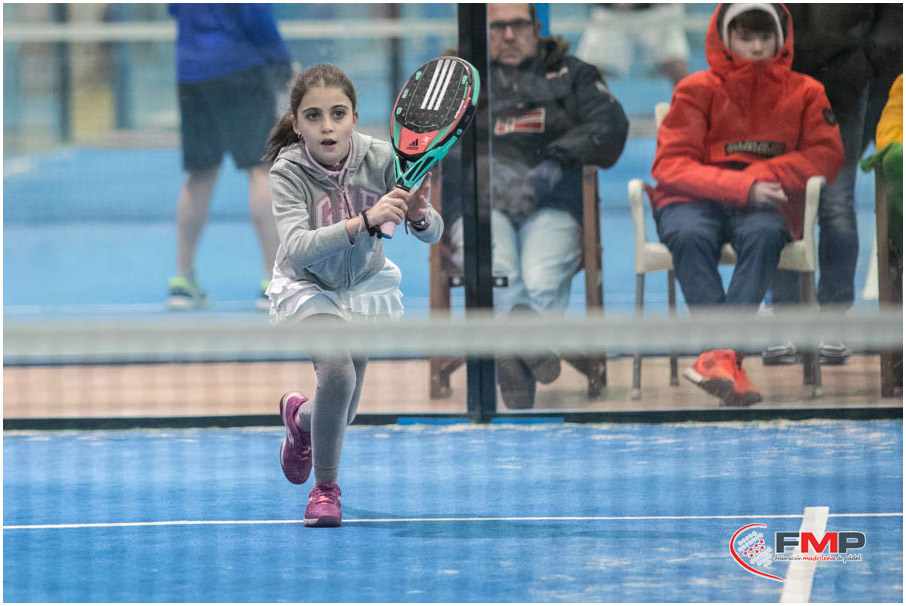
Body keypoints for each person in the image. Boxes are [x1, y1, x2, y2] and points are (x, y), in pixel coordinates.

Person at [264, 64, 441, 527]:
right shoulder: (287, 172)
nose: (327, 126)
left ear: (355, 118)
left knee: (343, 412)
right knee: (338, 374)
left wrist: (420, 215)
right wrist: (364, 221)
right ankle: (325, 491)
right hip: (307, 286)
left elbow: (433, 232)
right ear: (296, 122)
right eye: (314, 115)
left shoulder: (381, 159)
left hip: (363, 285)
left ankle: (300, 419)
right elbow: (297, 246)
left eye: (338, 114)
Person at [650, 3, 844, 406]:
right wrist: (744, 186)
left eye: (765, 36)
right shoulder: (695, 89)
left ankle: (718, 359)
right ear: (725, 38)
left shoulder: (807, 92)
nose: (756, 47)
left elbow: (826, 156)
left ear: (781, 38)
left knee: (766, 233)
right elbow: (670, 165)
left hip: (763, 205)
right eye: (745, 37)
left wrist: (762, 178)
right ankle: (725, 358)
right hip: (693, 201)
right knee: (688, 234)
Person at [442, 3, 629, 409]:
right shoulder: (455, 80)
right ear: (480, 31)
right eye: (497, 27)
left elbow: (611, 125)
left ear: (537, 27)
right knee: (500, 270)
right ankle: (528, 356)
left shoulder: (572, 74)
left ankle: (512, 362)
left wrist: (556, 160)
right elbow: (426, 140)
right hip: (480, 210)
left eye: (518, 25)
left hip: (553, 204)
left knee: (541, 277)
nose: (509, 35)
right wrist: (482, 169)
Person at [765, 4, 903, 366]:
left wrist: (863, 64)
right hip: (778, 84)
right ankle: (784, 318)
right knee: (781, 199)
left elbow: (892, 16)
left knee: (836, 202)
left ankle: (834, 320)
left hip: (844, 82)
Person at [167, 3, 292, 311]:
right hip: (240, 67)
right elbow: (255, 14)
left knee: (200, 173)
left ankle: (183, 279)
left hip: (191, 72)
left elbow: (174, 8)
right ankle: (274, 282)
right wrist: (282, 62)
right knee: (261, 169)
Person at [576, 4, 691, 87]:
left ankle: (689, 108)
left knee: (677, 67)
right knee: (586, 72)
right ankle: (586, 111)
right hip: (609, 13)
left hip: (658, 11)